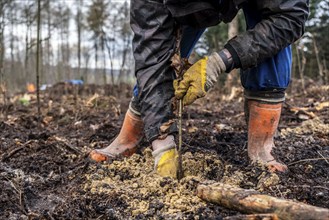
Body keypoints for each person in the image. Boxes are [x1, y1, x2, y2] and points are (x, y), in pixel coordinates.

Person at [90, 0, 309, 178]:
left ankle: (262, 147)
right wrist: (162, 141)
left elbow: (290, 16)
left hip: (267, 7)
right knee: (161, 59)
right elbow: (151, 57)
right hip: (181, 8)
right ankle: (129, 137)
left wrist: (220, 61)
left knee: (271, 23)